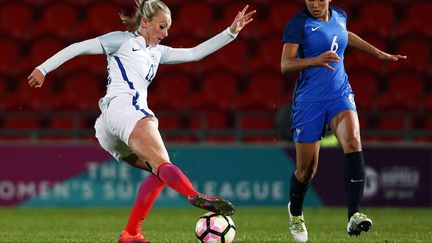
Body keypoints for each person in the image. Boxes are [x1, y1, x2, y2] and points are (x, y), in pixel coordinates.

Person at [28, 1, 255, 242]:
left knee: (160, 172)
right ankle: (193, 195)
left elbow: (194, 53)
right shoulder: (122, 40)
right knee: (164, 165)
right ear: (144, 22)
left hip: (107, 127)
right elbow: (78, 47)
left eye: (168, 27)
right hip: (126, 110)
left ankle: (131, 234)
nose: (166, 33)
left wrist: (230, 33)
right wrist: (43, 68)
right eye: (162, 26)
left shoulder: (157, 52)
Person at [280, 1, 406, 242]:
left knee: (353, 141)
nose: (314, 4)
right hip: (309, 102)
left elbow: (344, 33)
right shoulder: (299, 24)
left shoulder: (340, 14)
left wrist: (377, 52)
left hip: (339, 94)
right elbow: (286, 64)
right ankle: (295, 212)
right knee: (306, 171)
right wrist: (314, 60)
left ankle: (354, 215)